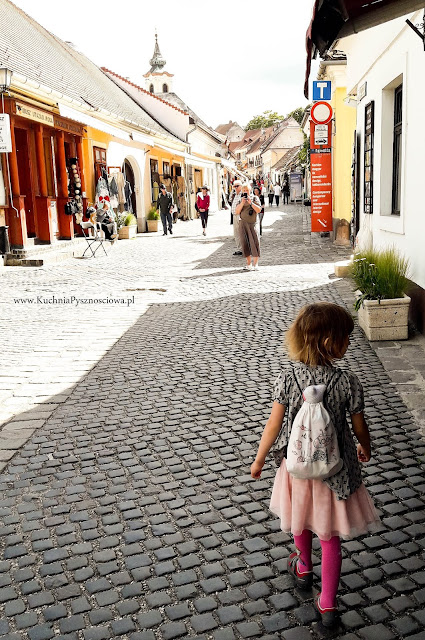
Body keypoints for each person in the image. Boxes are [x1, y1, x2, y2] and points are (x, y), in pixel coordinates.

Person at [250, 302, 381, 628]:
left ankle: (304, 566)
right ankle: (327, 605)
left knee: (300, 519)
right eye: (346, 337)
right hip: (335, 473)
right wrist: (366, 446)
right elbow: (359, 426)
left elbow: (273, 425)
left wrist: (259, 458)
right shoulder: (348, 382)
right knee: (330, 537)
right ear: (328, 342)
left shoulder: (287, 379)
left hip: (297, 471)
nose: (350, 342)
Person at [235, 183, 262, 270]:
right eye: (244, 190)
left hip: (252, 224)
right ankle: (248, 264)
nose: (245, 192)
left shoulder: (255, 198)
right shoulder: (240, 200)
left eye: (247, 190)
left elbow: (258, 210)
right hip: (243, 224)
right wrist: (242, 203)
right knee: (245, 243)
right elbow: (237, 211)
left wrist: (251, 203)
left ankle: (256, 264)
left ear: (250, 190)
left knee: (254, 242)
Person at [230, 180, 243, 255]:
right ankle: (240, 249)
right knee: (236, 233)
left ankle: (244, 248)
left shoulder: (242, 194)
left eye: (237, 186)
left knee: (241, 232)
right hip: (234, 215)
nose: (235, 188)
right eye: (234, 186)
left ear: (241, 186)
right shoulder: (235, 195)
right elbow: (230, 201)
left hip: (240, 216)